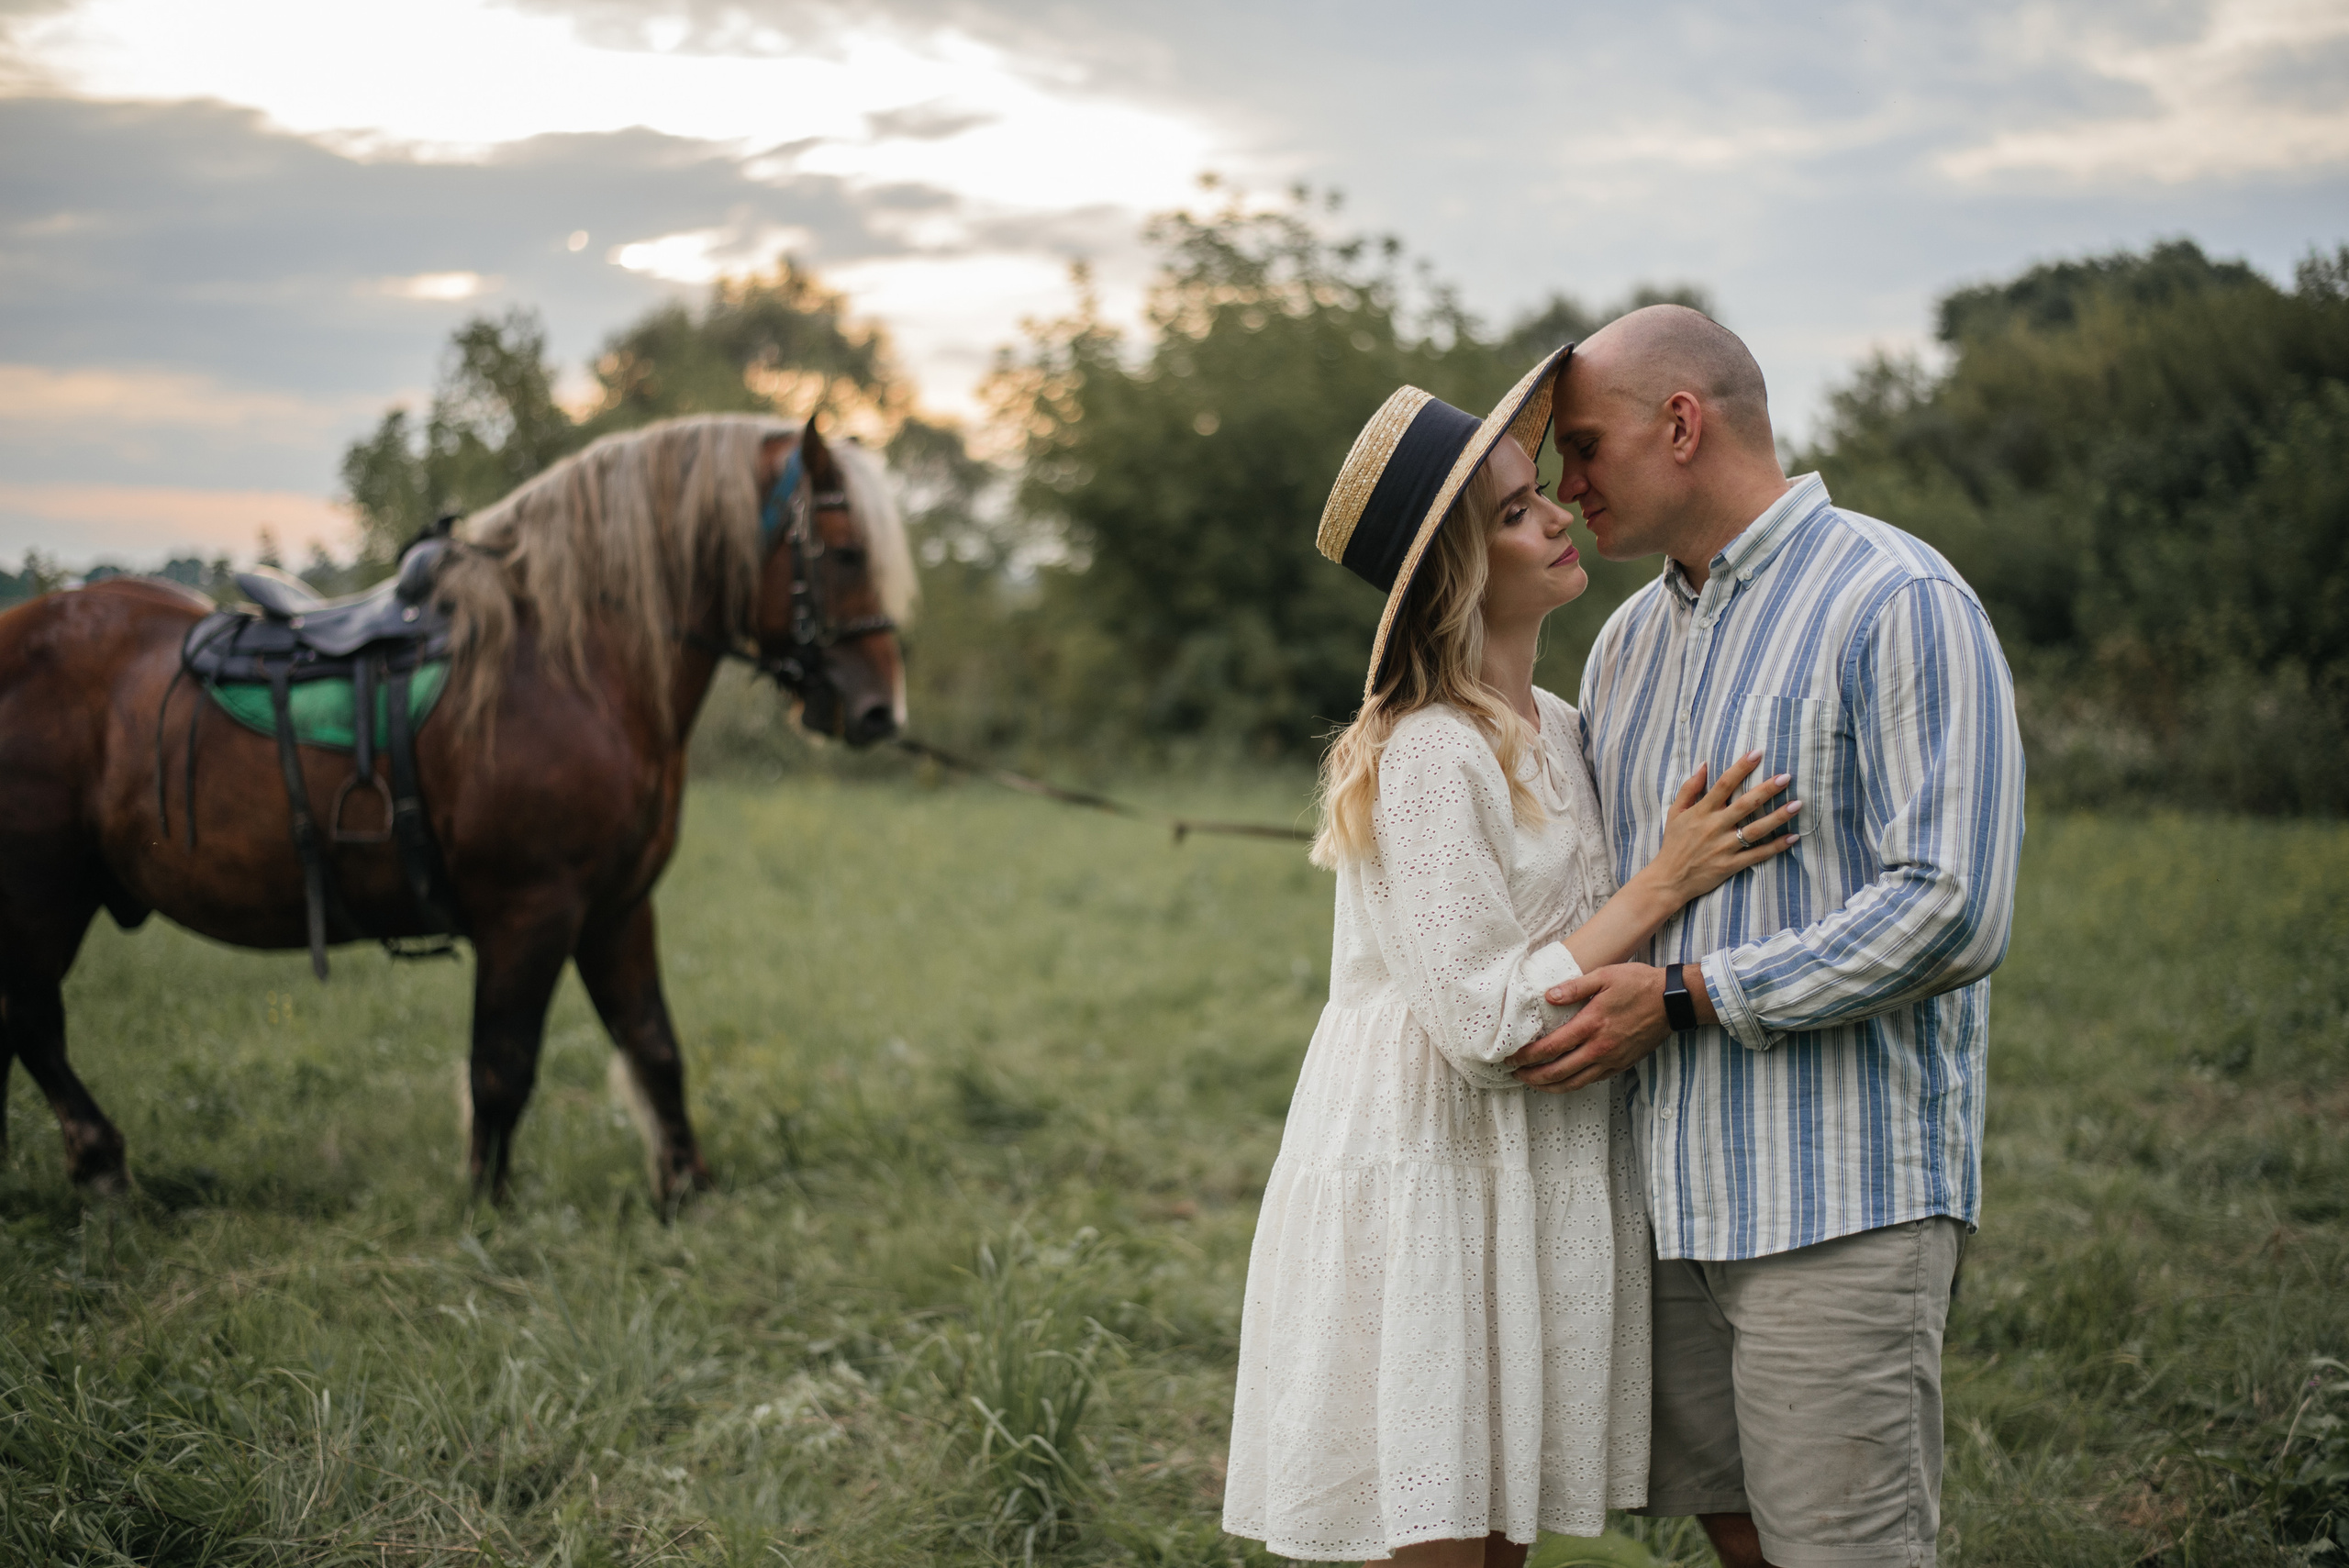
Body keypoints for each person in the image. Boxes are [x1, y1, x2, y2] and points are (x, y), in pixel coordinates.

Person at [1223, 347, 1802, 1567]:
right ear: (1459, 573)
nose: (1556, 513)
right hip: (1429, 1164)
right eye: (1514, 509)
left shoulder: (1565, 729)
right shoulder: (1431, 751)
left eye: (1539, 488)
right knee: (1440, 1536)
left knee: (1497, 1542)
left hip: (1521, 1175)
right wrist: (1667, 877)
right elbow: (1488, 1023)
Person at [1511, 306, 2026, 1568]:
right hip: (1666, 1203)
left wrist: (1686, 995)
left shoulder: (1894, 597)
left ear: (1679, 424)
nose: (1568, 492)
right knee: (1741, 1538)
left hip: (1835, 1201)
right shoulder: (1629, 645)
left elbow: (1951, 900)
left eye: (1582, 448)